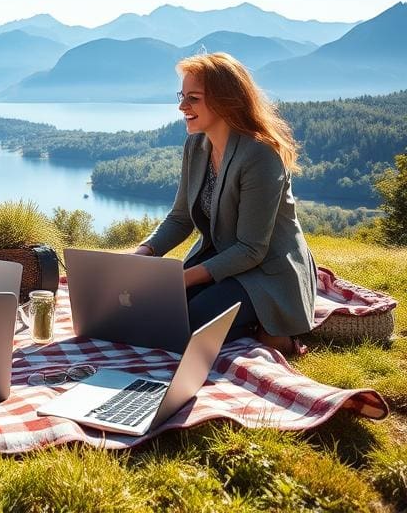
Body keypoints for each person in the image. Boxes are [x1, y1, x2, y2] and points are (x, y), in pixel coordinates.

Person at [134, 52, 317, 355]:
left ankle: (277, 333)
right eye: (182, 96)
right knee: (157, 313)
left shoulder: (259, 155)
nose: (182, 107)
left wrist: (182, 279)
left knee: (185, 325)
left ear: (224, 100)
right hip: (223, 262)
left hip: (267, 273)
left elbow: (251, 249)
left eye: (193, 98)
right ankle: (250, 329)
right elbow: (181, 217)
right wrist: (143, 254)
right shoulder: (196, 145)